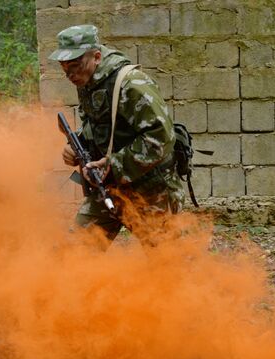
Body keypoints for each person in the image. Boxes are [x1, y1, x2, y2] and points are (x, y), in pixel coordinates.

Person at [48, 24, 185, 243]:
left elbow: (161, 137)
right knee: (75, 253)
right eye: (64, 67)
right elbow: (101, 125)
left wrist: (113, 165)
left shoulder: (131, 84)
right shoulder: (89, 80)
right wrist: (78, 145)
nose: (70, 74)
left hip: (150, 189)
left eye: (75, 65)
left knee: (166, 263)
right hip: (109, 187)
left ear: (97, 56)